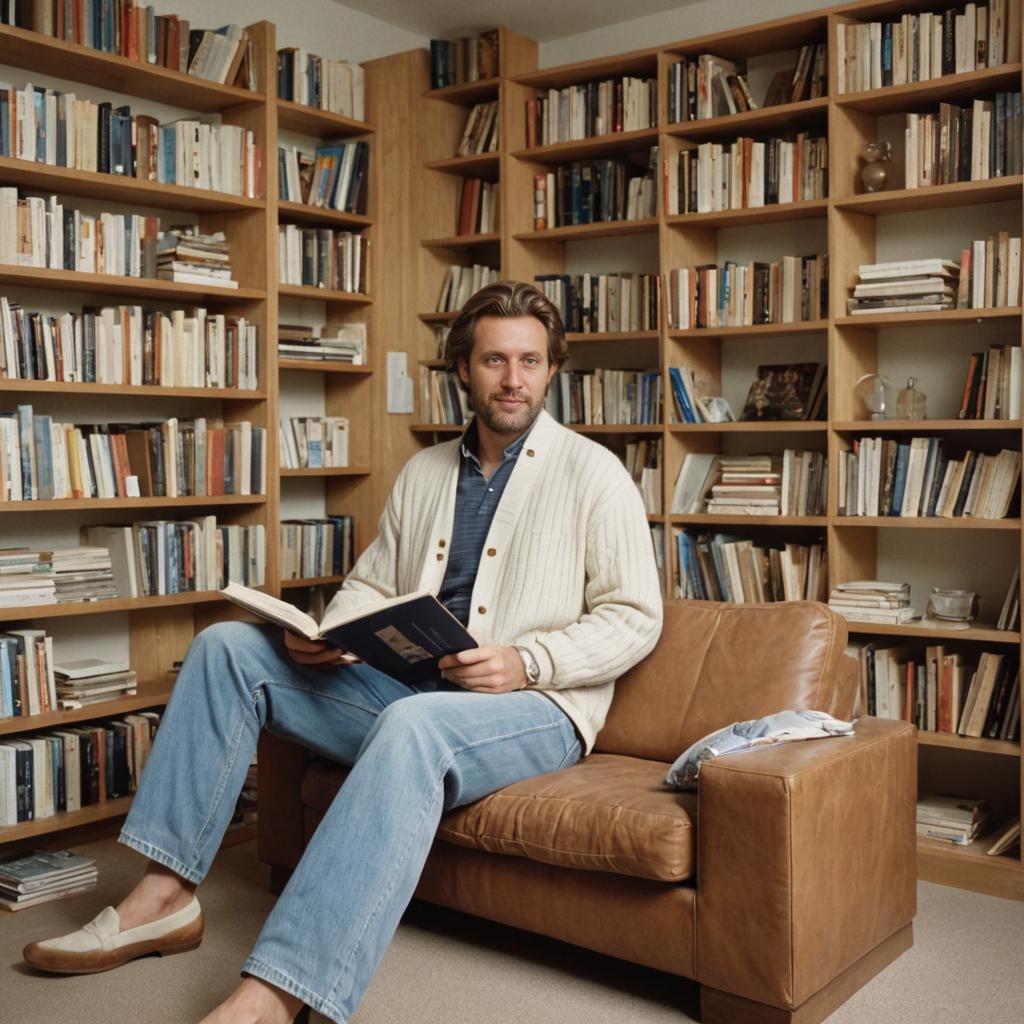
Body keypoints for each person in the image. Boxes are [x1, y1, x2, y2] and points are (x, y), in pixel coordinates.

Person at [23, 281, 664, 1024]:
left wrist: (529, 661)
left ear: (553, 369)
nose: (512, 379)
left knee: (415, 726)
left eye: (529, 360)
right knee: (228, 646)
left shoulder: (595, 474)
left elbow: (634, 617)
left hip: (535, 709)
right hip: (414, 693)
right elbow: (370, 586)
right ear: (464, 369)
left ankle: (277, 994)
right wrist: (326, 635)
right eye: (494, 359)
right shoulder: (425, 472)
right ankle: (162, 897)